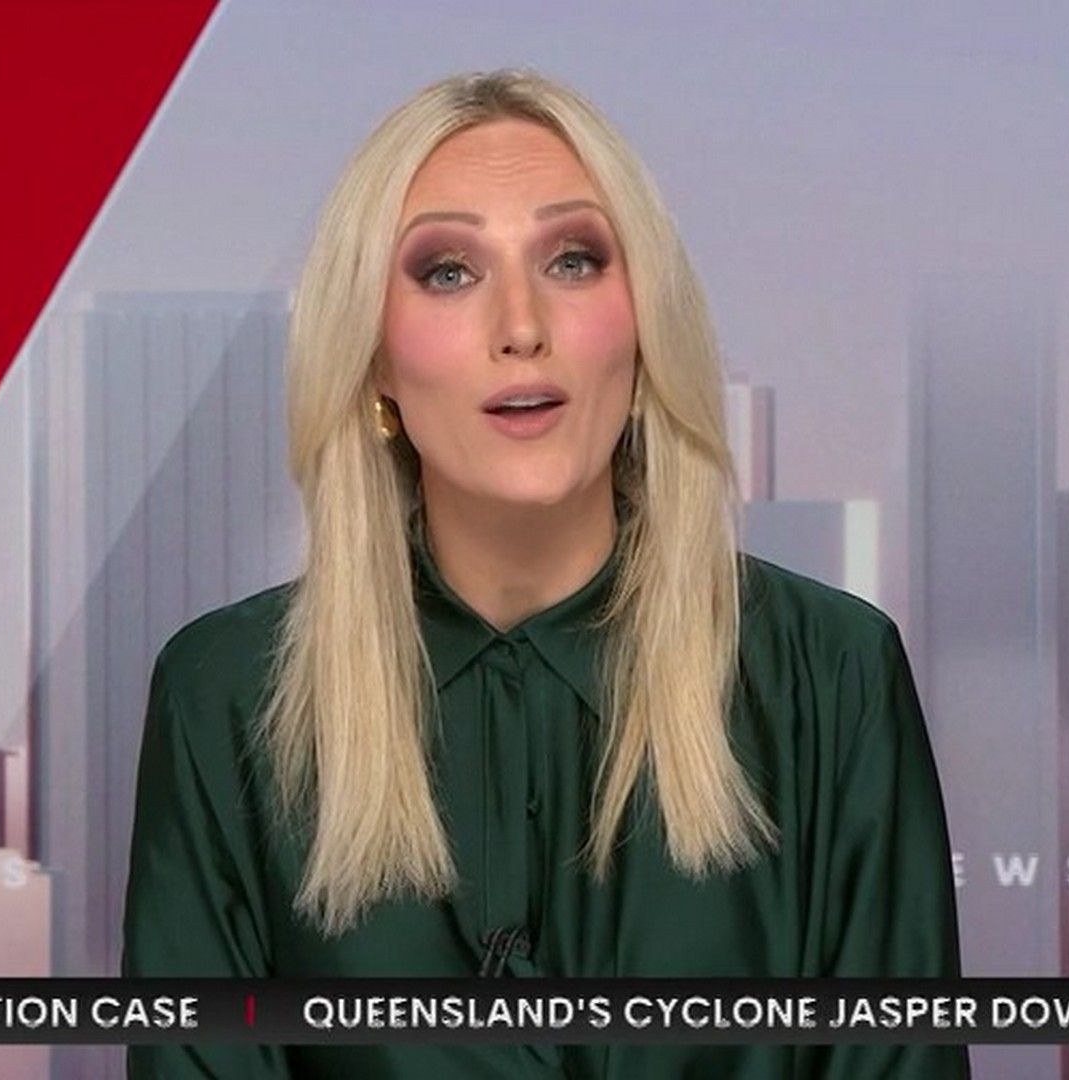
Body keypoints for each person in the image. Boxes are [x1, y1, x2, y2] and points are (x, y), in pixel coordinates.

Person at [122, 67, 968, 1078]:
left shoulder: (831, 675)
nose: (521, 326)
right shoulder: (224, 696)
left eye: (573, 260)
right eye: (448, 271)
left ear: (644, 324)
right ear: (374, 357)